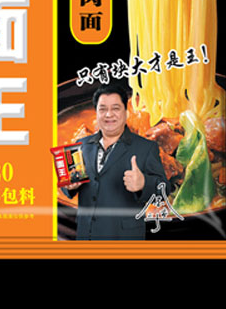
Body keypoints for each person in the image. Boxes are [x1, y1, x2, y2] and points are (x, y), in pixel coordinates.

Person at [62, 83, 172, 240]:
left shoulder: (146, 147)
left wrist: (143, 183)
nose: (109, 115)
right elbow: (66, 188)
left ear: (126, 113)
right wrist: (69, 185)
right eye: (102, 109)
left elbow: (164, 187)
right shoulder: (80, 144)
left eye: (115, 108)